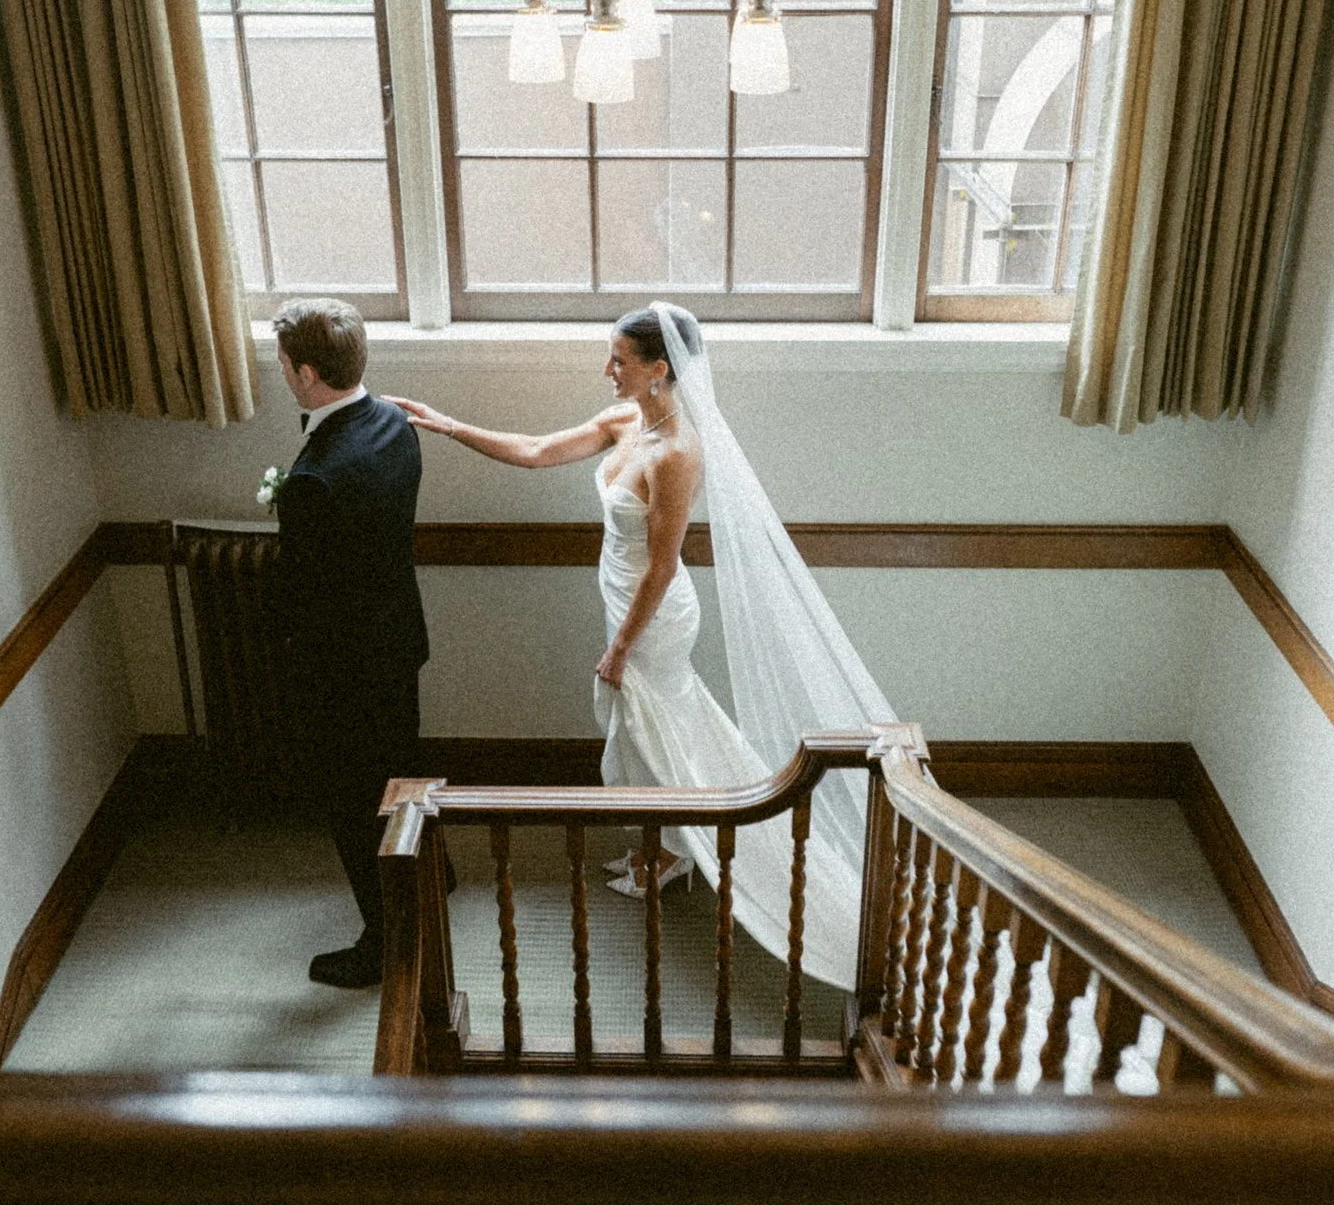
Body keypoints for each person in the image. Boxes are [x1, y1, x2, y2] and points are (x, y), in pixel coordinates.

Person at [388, 303, 888, 989]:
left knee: (654, 736)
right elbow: (537, 452)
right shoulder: (628, 420)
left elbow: (661, 564)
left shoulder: (678, 451)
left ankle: (677, 850)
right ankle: (670, 845)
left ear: (659, 370)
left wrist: (621, 647)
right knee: (651, 733)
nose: (607, 370)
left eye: (620, 360)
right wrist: (447, 425)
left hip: (652, 616)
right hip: (624, 601)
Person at [269, 298, 429, 990]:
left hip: (343, 669)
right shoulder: (394, 420)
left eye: (282, 365)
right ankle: (430, 874)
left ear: (307, 373)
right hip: (399, 636)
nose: (281, 374)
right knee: (401, 773)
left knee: (352, 799)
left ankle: (385, 935)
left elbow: (303, 596)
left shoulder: (313, 479)